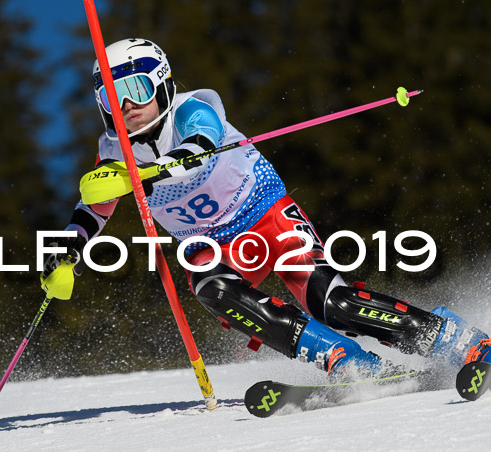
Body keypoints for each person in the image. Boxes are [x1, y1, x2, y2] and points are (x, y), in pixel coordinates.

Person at [42, 38, 490, 380]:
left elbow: (201, 145)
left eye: (136, 89)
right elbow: (94, 207)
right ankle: (344, 360)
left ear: (161, 84)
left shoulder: (193, 109)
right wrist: (68, 248)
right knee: (211, 288)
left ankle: (455, 340)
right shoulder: (113, 150)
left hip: (265, 214)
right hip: (210, 245)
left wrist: (148, 172)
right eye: (111, 97)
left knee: (332, 302)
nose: (126, 106)